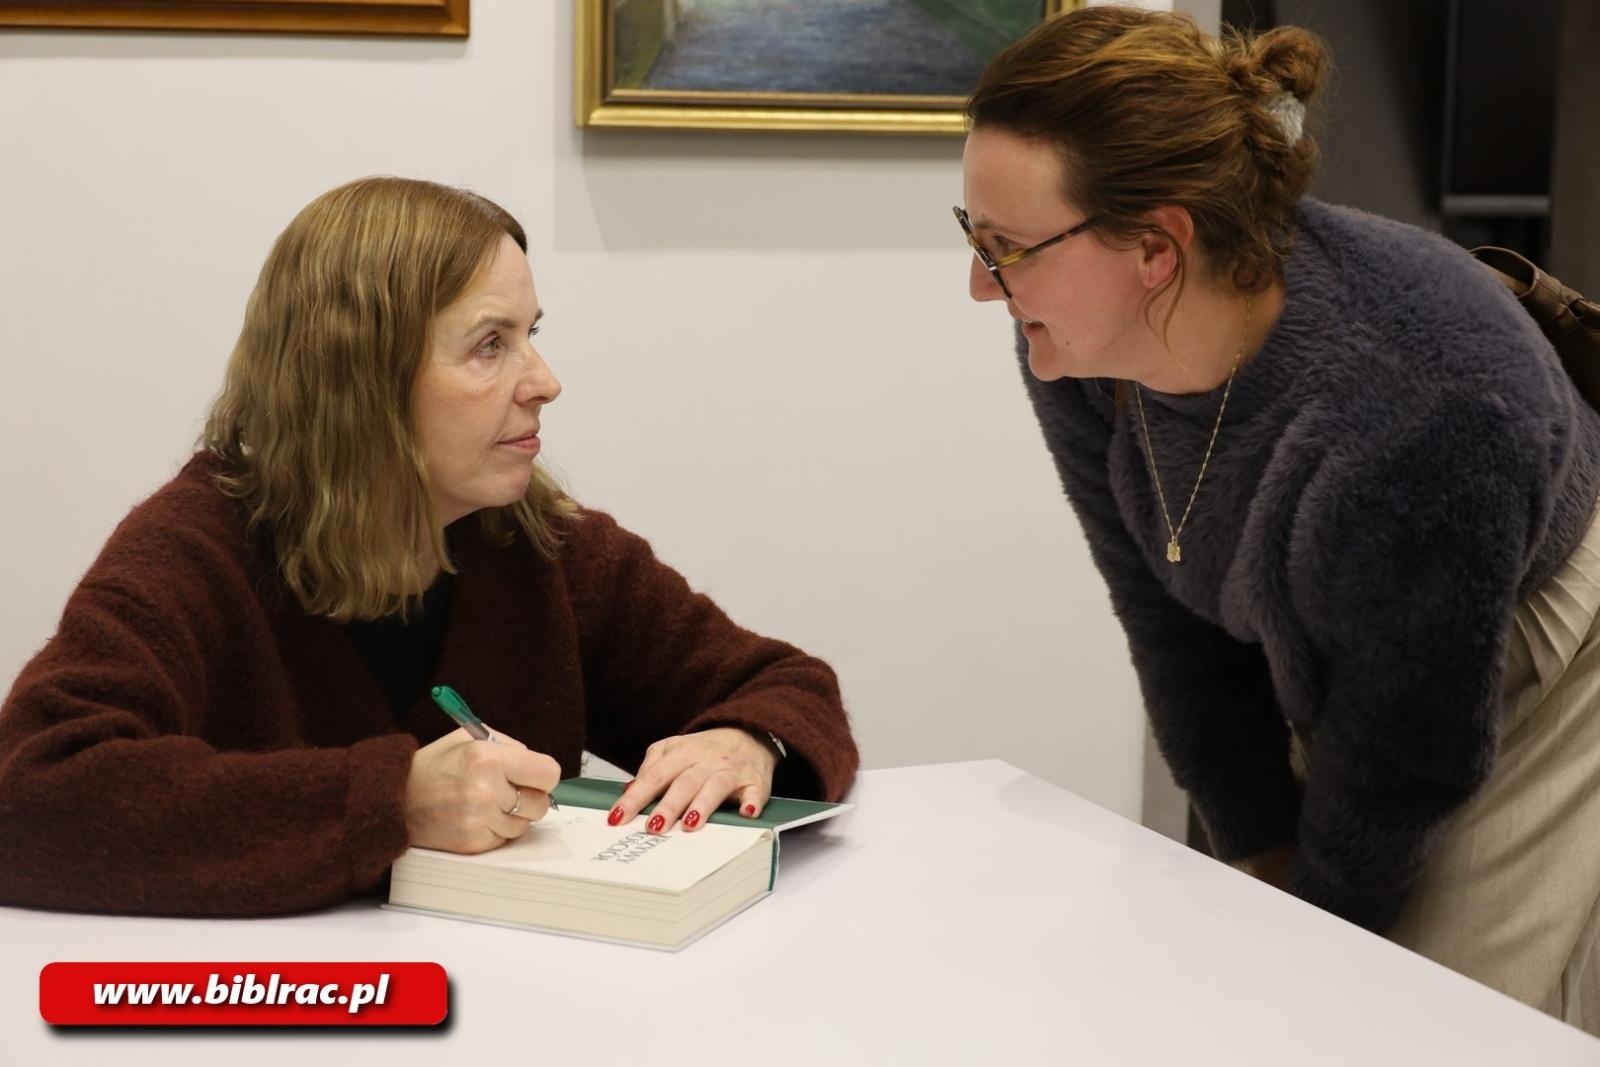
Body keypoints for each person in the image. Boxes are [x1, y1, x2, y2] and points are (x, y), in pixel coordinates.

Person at [958, 6, 1600, 1031]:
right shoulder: (1081, 349)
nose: (980, 287)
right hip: (1338, 608)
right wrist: (1254, 844)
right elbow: (1163, 614)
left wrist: (1311, 944)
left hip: (1534, 639)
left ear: (1156, 247)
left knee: (1425, 1018)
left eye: (1005, 248)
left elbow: (1405, 753)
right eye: (973, 238)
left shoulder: (1420, 412)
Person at [0, 176, 858, 918]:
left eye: (532, 332)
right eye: (492, 344)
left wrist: (748, 741)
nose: (545, 380)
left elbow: (786, 685)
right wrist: (391, 801)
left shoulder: (546, 548)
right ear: (360, 379)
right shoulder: (195, 553)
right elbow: (28, 797)